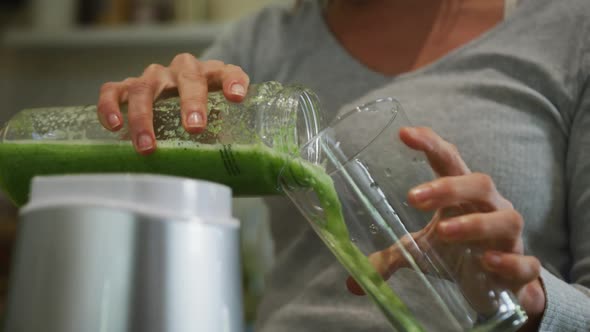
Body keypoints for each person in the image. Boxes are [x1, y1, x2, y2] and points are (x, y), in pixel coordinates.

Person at [96, 0, 590, 330]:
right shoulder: (263, 41)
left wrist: (531, 300)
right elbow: (140, 206)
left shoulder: (568, 31)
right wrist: (153, 120)